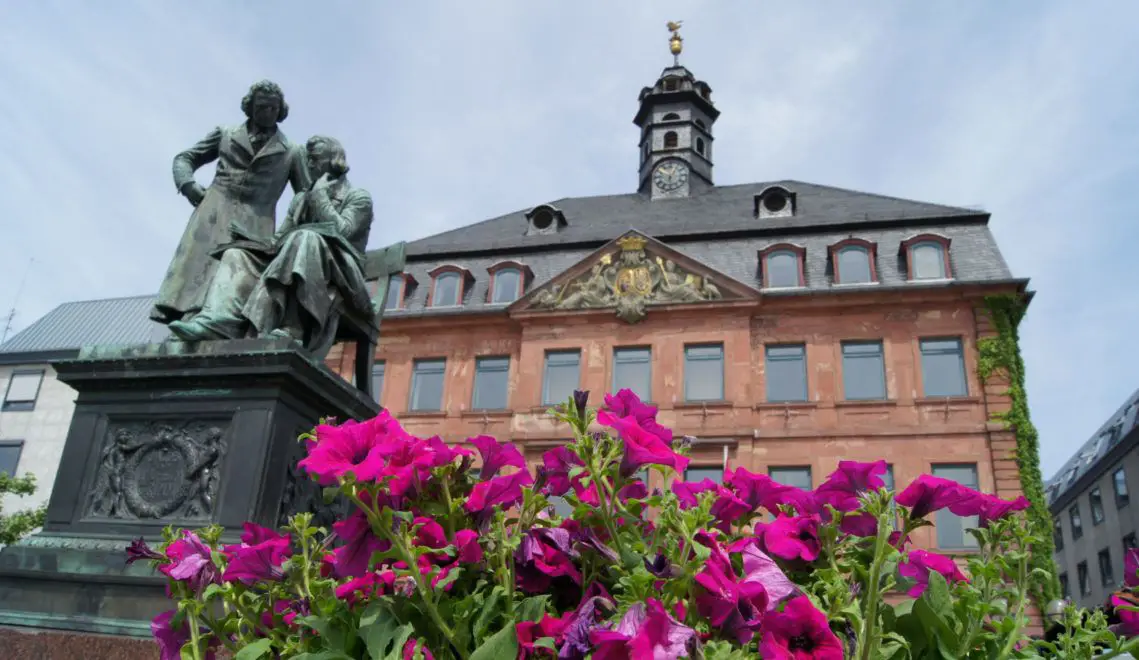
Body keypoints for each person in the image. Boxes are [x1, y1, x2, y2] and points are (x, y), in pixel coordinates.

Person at [151, 80, 309, 326]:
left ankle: (223, 325)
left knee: (236, 282)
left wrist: (291, 232)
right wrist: (188, 185)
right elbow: (185, 158)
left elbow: (305, 195)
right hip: (214, 210)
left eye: (273, 109)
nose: (268, 113)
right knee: (198, 271)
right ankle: (187, 321)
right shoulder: (225, 134)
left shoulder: (292, 151)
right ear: (251, 107)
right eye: (262, 107)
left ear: (280, 111)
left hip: (256, 222)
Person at [240, 136, 375, 357]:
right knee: (238, 254)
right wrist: (247, 240)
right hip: (297, 253)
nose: (309, 165)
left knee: (305, 237)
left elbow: (342, 232)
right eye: (308, 160)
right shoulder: (301, 198)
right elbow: (279, 238)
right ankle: (221, 321)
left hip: (343, 273)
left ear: (334, 161)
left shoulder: (358, 197)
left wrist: (319, 195)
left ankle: (294, 326)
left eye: (315, 160)